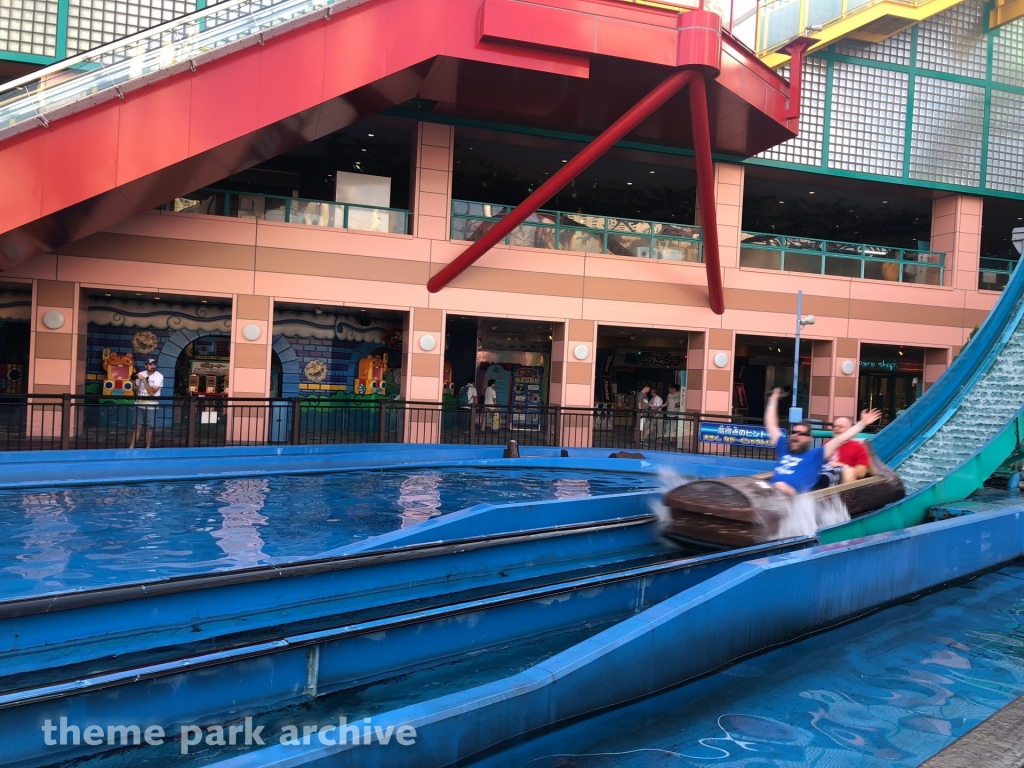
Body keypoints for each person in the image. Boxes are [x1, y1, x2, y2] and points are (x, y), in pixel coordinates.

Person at [764, 387, 880, 496]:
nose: (796, 436)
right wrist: (773, 400)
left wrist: (862, 423)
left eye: (801, 434)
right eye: (794, 432)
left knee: (781, 486)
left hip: (794, 499)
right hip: (772, 495)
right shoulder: (784, 447)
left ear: (809, 438)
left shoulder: (815, 455)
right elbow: (771, 425)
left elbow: (840, 440)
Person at [823, 415, 873, 485]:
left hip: (843, 482)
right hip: (826, 477)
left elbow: (862, 473)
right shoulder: (827, 443)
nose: (836, 429)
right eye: (834, 426)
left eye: (841, 427)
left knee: (848, 473)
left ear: (850, 430)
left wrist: (843, 466)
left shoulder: (858, 447)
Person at [130, 358, 163, 449]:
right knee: (137, 426)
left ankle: (148, 447)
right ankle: (131, 447)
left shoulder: (159, 376)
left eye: (154, 364)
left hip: (151, 405)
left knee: (149, 427)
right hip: (139, 403)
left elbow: (152, 393)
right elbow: (136, 389)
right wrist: (132, 382)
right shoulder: (140, 374)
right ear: (146, 366)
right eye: (150, 364)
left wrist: (144, 380)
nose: (152, 366)